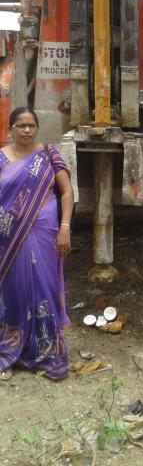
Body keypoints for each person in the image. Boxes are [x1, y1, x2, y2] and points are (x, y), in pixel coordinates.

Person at [0, 107, 74, 380]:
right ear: (11, 128)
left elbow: (66, 192)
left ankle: (47, 352)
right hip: (8, 238)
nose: (27, 130)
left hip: (46, 233)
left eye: (31, 125)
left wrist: (64, 227)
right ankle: (10, 350)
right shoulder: (0, 158)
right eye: (21, 125)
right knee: (13, 290)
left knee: (45, 287)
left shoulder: (49, 155)